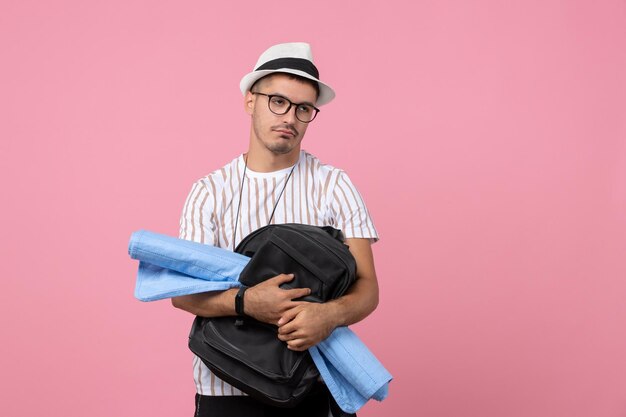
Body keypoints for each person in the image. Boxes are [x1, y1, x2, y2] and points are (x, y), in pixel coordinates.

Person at [171, 42, 380, 417]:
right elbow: (182, 295)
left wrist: (328, 315)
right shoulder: (209, 192)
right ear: (250, 101)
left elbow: (368, 290)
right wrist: (245, 302)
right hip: (225, 387)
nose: (290, 117)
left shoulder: (334, 185)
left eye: (303, 109)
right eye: (278, 101)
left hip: (312, 387)